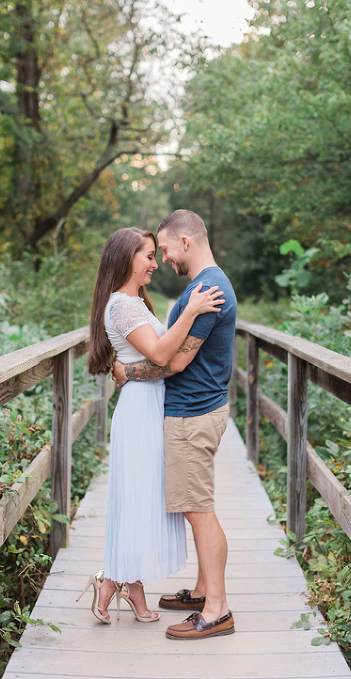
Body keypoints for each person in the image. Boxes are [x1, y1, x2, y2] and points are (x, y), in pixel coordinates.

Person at [82, 227, 224, 624]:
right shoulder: (123, 306)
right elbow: (162, 352)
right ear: (127, 258)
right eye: (148, 255)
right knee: (136, 498)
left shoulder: (133, 302)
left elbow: (160, 354)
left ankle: (121, 582)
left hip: (151, 404)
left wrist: (128, 369)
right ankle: (115, 581)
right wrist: (192, 311)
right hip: (140, 409)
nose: (155, 263)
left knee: (143, 499)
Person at [112, 209, 238, 640]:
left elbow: (176, 359)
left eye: (164, 249)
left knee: (198, 511)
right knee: (194, 505)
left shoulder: (209, 288)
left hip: (193, 413)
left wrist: (129, 373)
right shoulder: (204, 287)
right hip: (195, 410)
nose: (163, 258)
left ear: (186, 241)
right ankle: (204, 591)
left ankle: (217, 611)